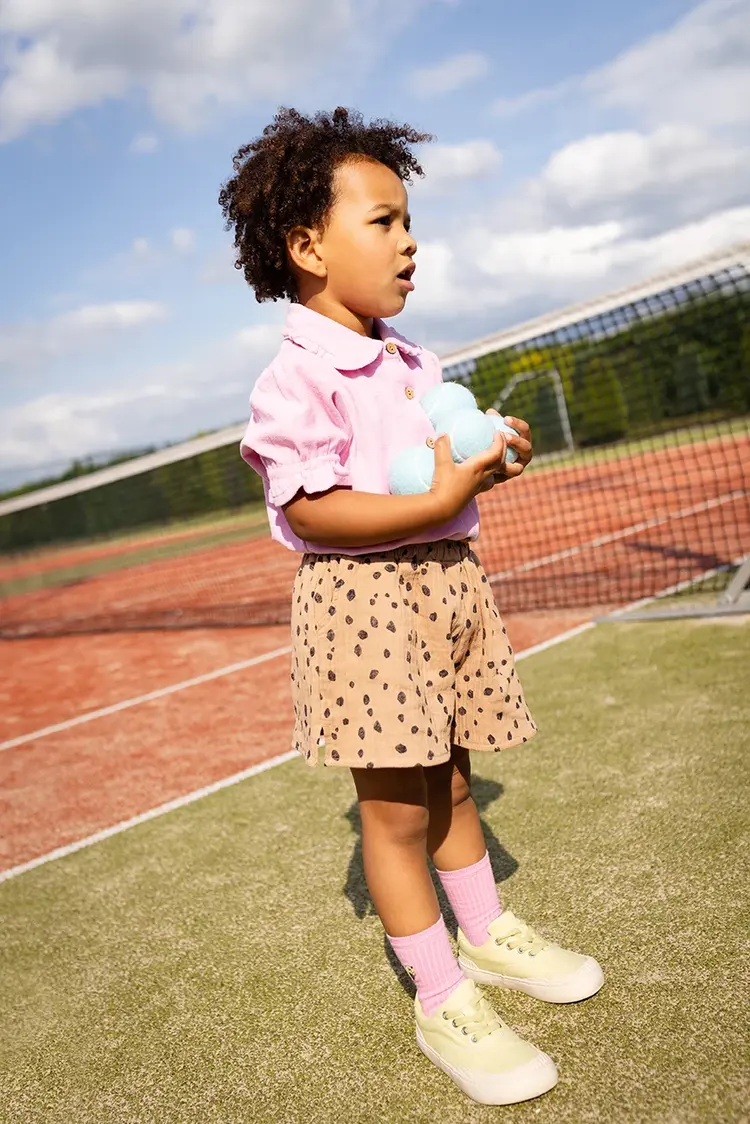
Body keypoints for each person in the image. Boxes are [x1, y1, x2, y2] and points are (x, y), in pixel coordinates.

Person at [222, 106, 603, 1107]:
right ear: (308, 246)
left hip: (447, 586)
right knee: (392, 816)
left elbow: (442, 467)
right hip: (364, 603)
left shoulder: (412, 359)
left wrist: (487, 458)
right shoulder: (291, 380)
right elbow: (311, 506)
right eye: (383, 221)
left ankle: (489, 934)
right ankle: (443, 996)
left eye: (406, 221)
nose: (409, 240)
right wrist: (434, 498)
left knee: (454, 782)